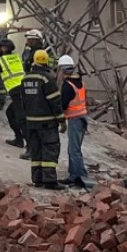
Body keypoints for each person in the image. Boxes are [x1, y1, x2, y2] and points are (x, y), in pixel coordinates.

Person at [19, 49, 66, 190]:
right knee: (50, 150)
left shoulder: (25, 78)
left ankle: (37, 179)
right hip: (47, 122)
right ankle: (50, 181)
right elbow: (55, 101)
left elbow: (23, 101)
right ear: (46, 61)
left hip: (31, 122)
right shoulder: (47, 79)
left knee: (36, 150)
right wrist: (62, 120)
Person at [57, 54, 92, 189]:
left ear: (62, 70)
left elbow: (63, 104)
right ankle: (76, 174)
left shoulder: (67, 86)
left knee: (73, 149)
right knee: (75, 149)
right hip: (82, 118)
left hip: (75, 119)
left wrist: (59, 117)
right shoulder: (81, 83)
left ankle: (78, 176)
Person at [0, 39, 27, 155]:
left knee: (21, 118)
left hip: (17, 91)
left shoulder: (2, 60)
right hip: (21, 90)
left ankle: (31, 146)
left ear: (4, 49)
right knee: (10, 113)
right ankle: (19, 140)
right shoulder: (15, 57)